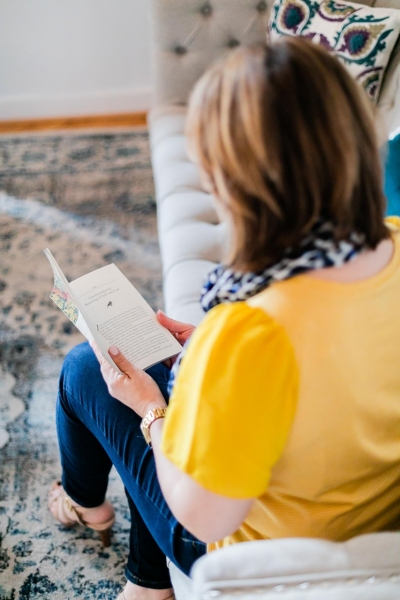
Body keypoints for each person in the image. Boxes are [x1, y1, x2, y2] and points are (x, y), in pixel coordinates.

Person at [48, 37, 400, 600]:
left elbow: (205, 517)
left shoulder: (251, 334)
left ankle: (86, 507)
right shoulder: (396, 242)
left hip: (264, 555)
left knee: (87, 370)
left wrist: (152, 408)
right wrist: (204, 353)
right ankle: (147, 580)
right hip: (367, 522)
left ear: (240, 187)